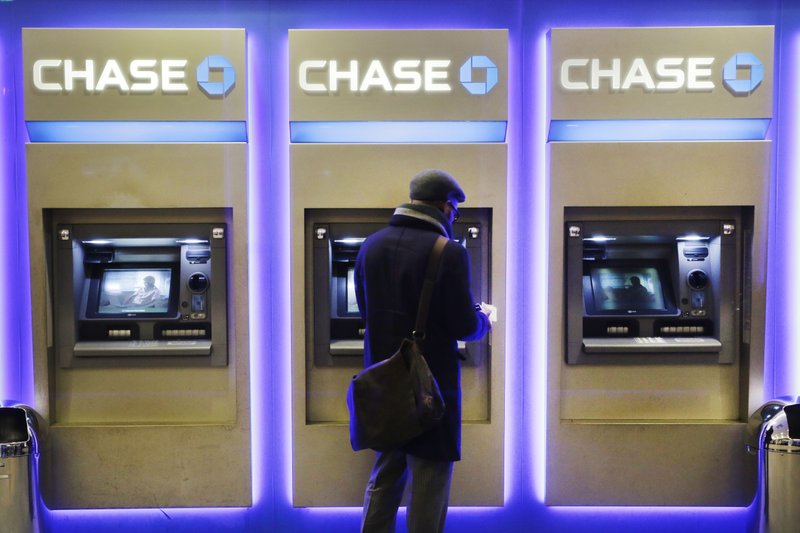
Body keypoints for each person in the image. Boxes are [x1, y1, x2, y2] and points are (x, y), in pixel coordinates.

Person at [354, 168, 493, 533]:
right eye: (455, 210)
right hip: (431, 385)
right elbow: (464, 324)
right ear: (446, 207)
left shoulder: (371, 245)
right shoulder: (448, 252)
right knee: (429, 480)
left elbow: (365, 310)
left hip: (386, 379)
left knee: (386, 472)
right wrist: (485, 320)